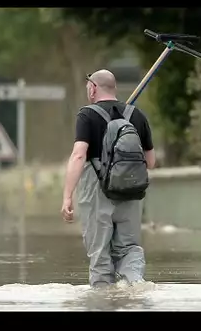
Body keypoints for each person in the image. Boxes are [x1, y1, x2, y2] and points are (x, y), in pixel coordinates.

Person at [61, 69, 156, 288]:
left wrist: (67, 195)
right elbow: (150, 162)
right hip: (131, 191)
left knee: (100, 254)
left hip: (97, 192)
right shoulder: (137, 115)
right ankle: (135, 287)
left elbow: (78, 155)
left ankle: (103, 300)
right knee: (130, 249)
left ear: (93, 88)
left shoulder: (87, 115)